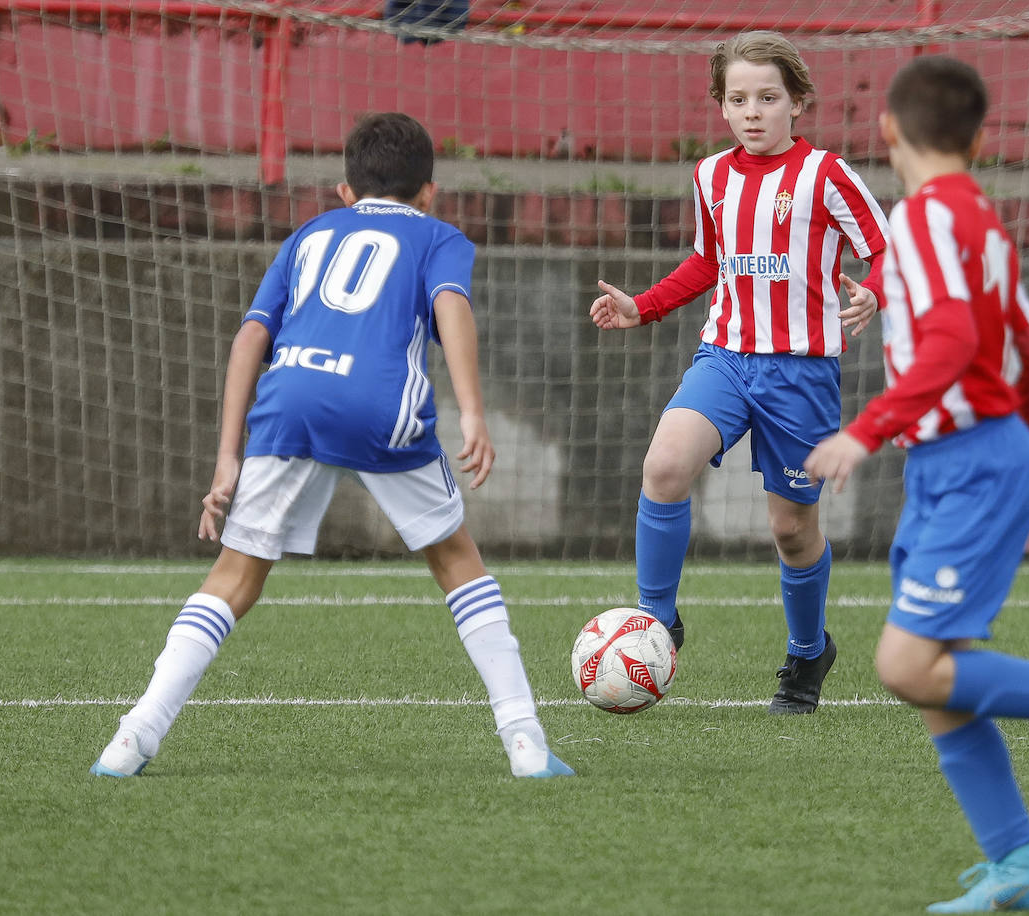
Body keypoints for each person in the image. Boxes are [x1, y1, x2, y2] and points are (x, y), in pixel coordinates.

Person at [91, 112, 573, 781]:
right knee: (457, 560)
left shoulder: (311, 233)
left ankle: (132, 738)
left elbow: (249, 340)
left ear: (345, 192)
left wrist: (228, 456)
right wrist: (473, 414)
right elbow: (452, 307)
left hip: (288, 402)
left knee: (234, 577)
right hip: (379, 403)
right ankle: (525, 740)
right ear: (430, 192)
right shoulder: (439, 237)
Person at [803, 56, 1029, 911]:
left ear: (887, 130)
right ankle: (1023, 865)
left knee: (905, 664)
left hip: (965, 462)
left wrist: (864, 428)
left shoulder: (924, 220)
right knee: (942, 673)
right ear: (980, 136)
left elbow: (955, 341)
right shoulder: (981, 224)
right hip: (973, 460)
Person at [589, 31, 890, 714]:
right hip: (724, 357)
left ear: (798, 102)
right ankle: (655, 624)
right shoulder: (711, 176)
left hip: (801, 374)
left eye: (767, 98)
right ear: (721, 107)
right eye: (737, 99)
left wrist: (879, 290)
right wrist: (644, 306)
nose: (752, 111)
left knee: (791, 530)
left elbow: (885, 249)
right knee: (664, 466)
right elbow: (706, 263)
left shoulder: (827, 175)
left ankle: (809, 654)